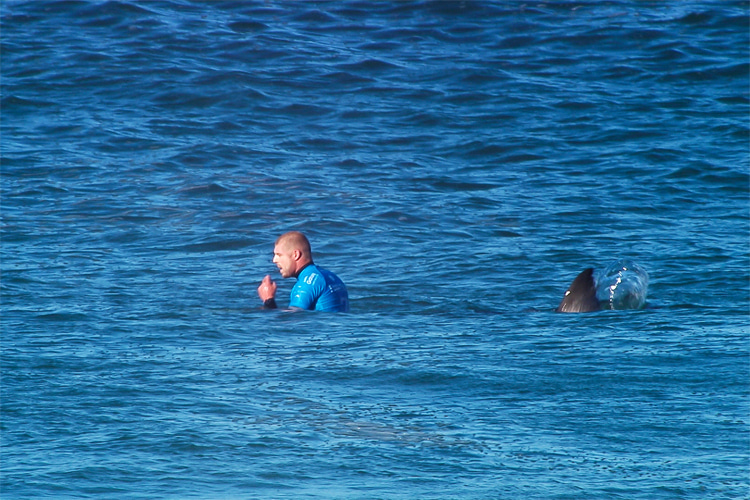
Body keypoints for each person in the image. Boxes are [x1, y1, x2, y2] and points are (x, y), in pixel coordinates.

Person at [257, 231, 349, 312]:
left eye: (279, 255)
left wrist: (268, 300)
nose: (274, 260)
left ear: (296, 255)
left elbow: (291, 322)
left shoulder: (306, 283)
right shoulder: (330, 276)